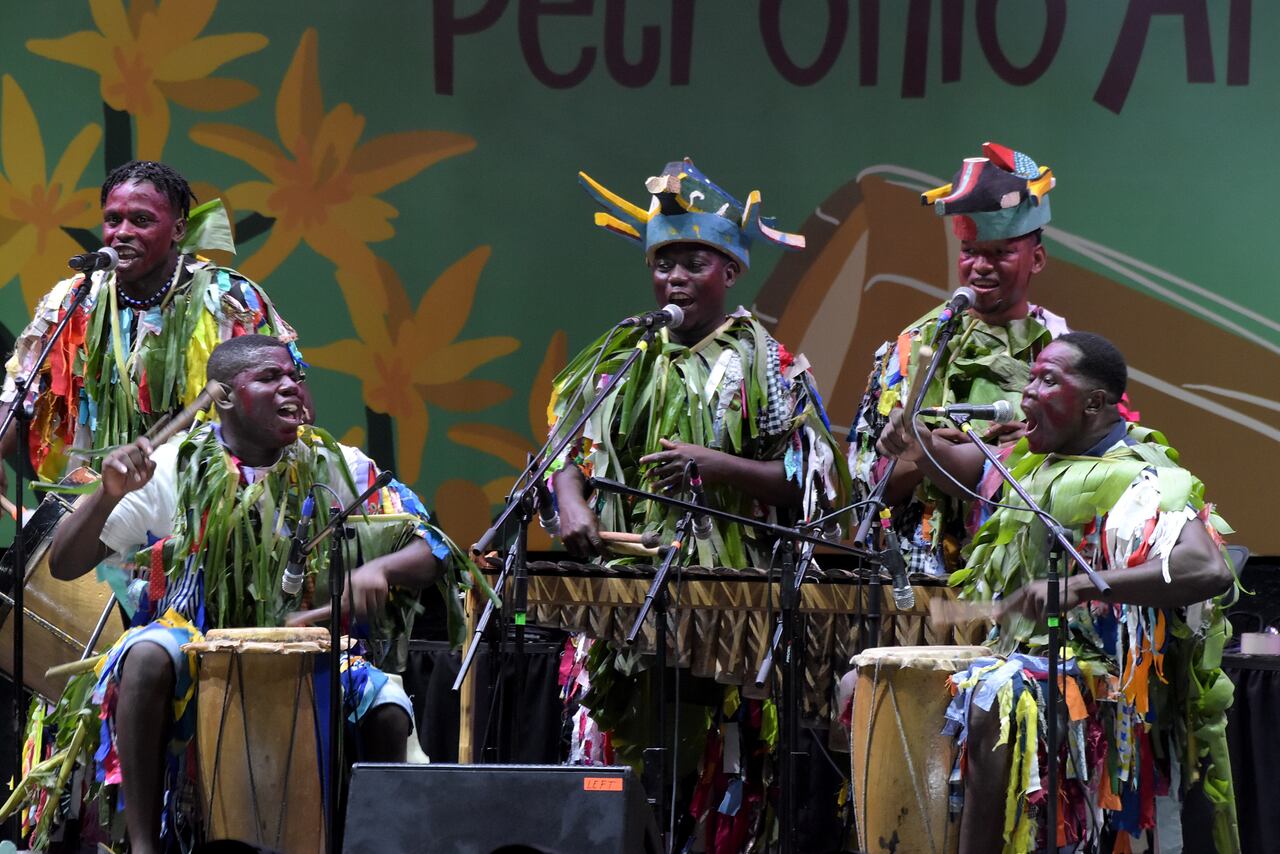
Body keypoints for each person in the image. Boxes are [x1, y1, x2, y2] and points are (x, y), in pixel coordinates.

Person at [25, 335, 463, 854]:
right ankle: (143, 847)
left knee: (387, 706)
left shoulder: (330, 464)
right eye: (269, 378)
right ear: (225, 398)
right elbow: (64, 562)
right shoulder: (175, 467)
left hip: (308, 651)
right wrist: (108, 493)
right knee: (144, 654)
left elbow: (433, 545)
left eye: (294, 378)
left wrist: (383, 571)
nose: (291, 388)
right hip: (198, 650)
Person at [549, 160, 850, 851]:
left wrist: (717, 465)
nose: (674, 278)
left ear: (731, 271)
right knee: (623, 761)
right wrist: (573, 506)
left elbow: (809, 482)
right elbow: (566, 450)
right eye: (663, 265)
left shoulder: (770, 364)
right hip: (629, 586)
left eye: (693, 263)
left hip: (728, 593)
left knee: (717, 770)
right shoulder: (624, 356)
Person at [876, 331, 1238, 853]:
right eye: (1032, 377)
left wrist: (1078, 586)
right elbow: (963, 470)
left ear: (1095, 401)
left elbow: (1207, 567)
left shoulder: (1142, 472)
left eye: (1049, 380)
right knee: (875, 687)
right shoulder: (1040, 459)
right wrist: (916, 441)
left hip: (1103, 680)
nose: (1028, 393)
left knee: (987, 699)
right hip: (1029, 656)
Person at [0, 160, 298, 495]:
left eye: (141, 220)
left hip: (205, 501)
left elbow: (294, 403)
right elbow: (23, 391)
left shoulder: (230, 300)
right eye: (113, 219)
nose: (122, 232)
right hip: (100, 501)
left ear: (178, 229)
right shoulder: (75, 299)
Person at [849, 142, 1074, 576]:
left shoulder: (1064, 353)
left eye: (1001, 253)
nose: (980, 267)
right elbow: (869, 488)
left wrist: (1001, 448)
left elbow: (1082, 469)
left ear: (1037, 259)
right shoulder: (910, 350)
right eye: (971, 252)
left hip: (1022, 577)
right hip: (917, 576)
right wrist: (924, 452)